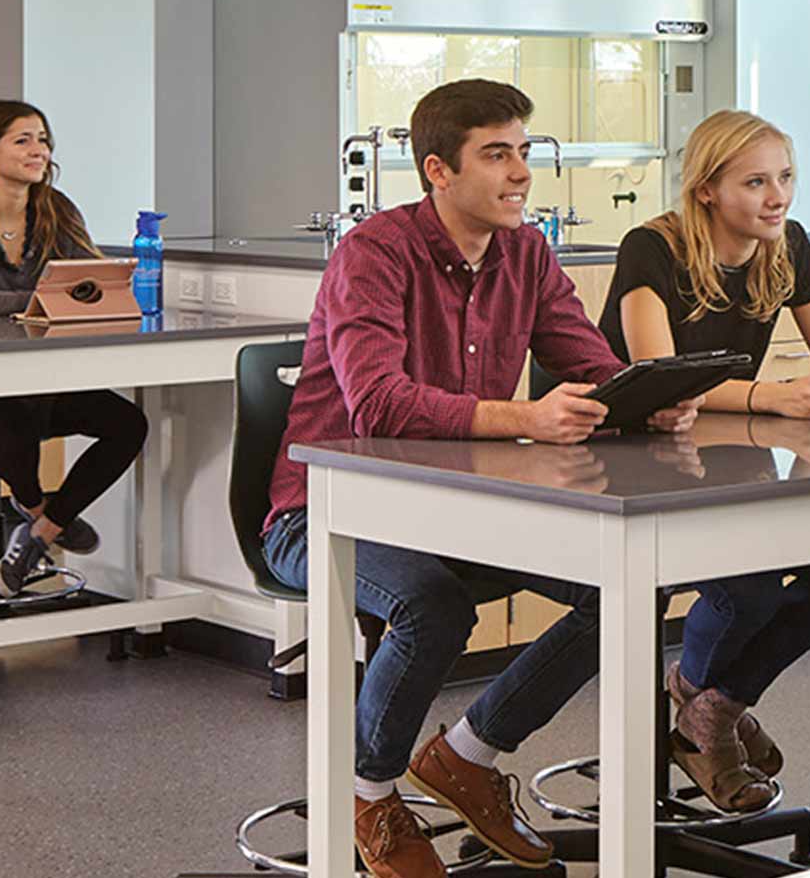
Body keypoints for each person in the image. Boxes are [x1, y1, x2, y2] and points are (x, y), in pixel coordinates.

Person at [261, 79, 697, 878]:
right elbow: (380, 406)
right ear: (437, 170)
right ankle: (366, 792)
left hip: (462, 512)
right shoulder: (374, 254)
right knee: (433, 606)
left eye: (524, 152)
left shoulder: (527, 253)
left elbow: (592, 367)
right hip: (322, 514)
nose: (521, 173)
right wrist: (522, 416)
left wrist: (647, 402)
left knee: (622, 588)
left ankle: (468, 753)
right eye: (497, 155)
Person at [601, 108, 810, 810]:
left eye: (784, 177)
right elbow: (659, 372)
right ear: (706, 190)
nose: (777, 195)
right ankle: (711, 715)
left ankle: (708, 704)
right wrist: (772, 396)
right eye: (756, 182)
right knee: (749, 589)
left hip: (728, 462)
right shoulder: (651, 248)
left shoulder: (786, 246)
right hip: (633, 463)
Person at [0, 98, 149, 597]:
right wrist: (47, 300)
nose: (38, 150)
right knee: (15, 418)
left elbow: (89, 282)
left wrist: (99, 290)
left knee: (127, 423)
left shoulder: (57, 208)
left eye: (43, 140)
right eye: (22, 140)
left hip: (35, 383)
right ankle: (39, 509)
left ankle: (38, 535)